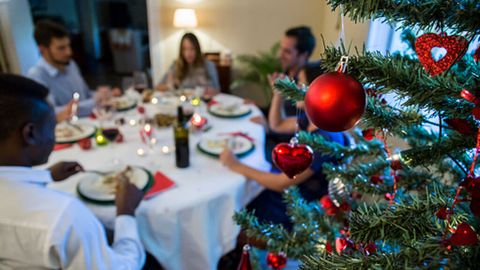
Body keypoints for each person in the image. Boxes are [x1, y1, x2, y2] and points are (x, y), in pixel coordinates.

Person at [0, 74, 145, 269]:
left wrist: (46, 176)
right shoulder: (64, 218)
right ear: (30, 133)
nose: (54, 134)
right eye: (53, 126)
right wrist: (125, 213)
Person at [220, 85, 349, 230]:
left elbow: (281, 183)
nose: (299, 87)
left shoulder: (325, 139)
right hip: (289, 186)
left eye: (304, 85)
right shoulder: (314, 120)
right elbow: (277, 125)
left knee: (235, 205)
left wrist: (235, 165)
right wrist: (278, 94)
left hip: (297, 202)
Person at [27, 20, 120, 122]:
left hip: (90, 122)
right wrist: (95, 101)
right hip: (68, 132)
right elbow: (51, 113)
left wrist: (104, 95)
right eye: (61, 48)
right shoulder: (36, 75)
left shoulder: (70, 64)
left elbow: (85, 95)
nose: (69, 52)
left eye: (68, 46)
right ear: (42, 50)